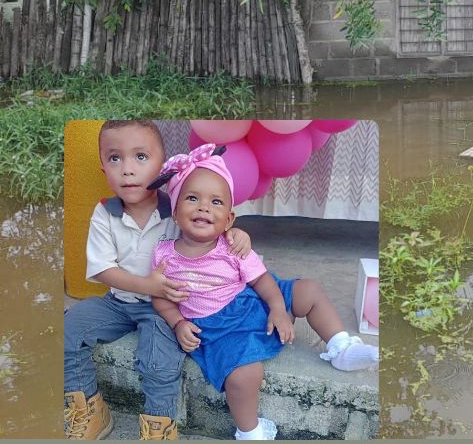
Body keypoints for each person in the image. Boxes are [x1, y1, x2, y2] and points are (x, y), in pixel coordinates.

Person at [149, 144, 377, 441]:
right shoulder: (164, 255)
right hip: (220, 328)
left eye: (216, 202)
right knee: (244, 376)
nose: (204, 207)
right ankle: (250, 431)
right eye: (192, 198)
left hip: (253, 299)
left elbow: (261, 280)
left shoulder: (234, 245)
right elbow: (160, 296)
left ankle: (340, 346)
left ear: (229, 219)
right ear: (175, 214)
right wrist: (177, 322)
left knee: (309, 289)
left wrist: (278, 308)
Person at [64, 121, 253, 440]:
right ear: (103, 168)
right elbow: (102, 270)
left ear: (163, 165)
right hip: (118, 304)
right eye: (115, 158)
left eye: (140, 157)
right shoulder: (104, 213)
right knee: (68, 329)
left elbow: (210, 230)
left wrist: (235, 233)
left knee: (157, 360)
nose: (127, 170)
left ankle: (159, 426)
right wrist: (147, 285)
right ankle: (89, 408)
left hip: (164, 308)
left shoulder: (179, 208)